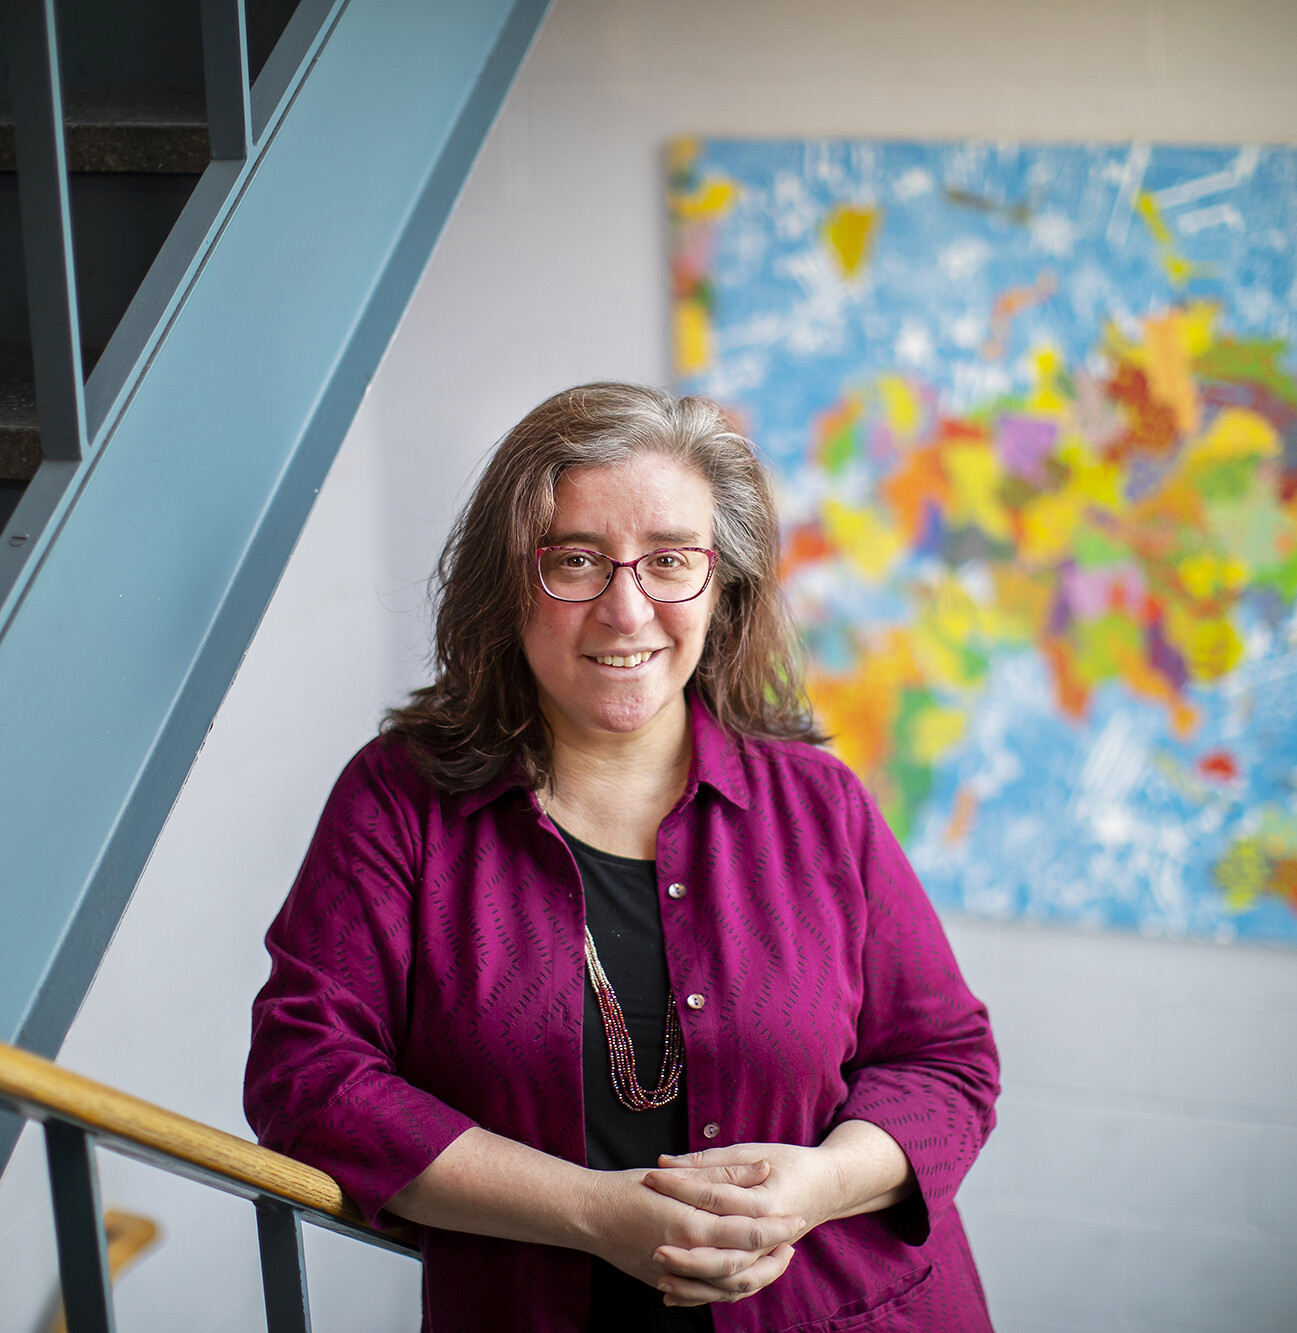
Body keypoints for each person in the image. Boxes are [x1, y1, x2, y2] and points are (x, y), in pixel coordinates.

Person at [245, 383, 999, 1331]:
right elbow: (306, 1075)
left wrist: (818, 1185)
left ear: (722, 587)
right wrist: (591, 1211)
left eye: (670, 560)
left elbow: (947, 1060)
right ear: (508, 584)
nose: (626, 608)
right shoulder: (400, 801)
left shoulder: (820, 805)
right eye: (576, 560)